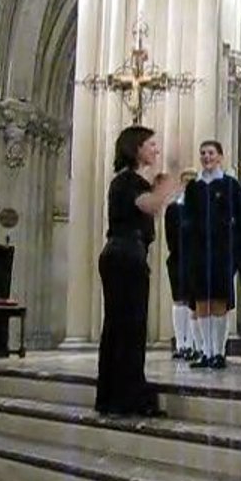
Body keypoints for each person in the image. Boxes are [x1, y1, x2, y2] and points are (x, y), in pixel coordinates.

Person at [95, 126, 175, 417]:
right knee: (129, 326)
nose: (156, 149)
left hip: (124, 255)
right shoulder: (128, 182)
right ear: (137, 148)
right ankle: (126, 398)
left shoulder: (129, 181)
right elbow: (149, 205)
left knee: (121, 327)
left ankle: (113, 396)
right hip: (125, 255)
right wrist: (165, 188)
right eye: (152, 144)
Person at [184, 140, 241, 370]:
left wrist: (236, 248)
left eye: (211, 153)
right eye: (203, 153)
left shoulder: (230, 185)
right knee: (201, 301)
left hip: (222, 251)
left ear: (220, 157)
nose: (206, 157)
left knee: (219, 300)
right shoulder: (194, 187)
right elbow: (187, 219)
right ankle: (205, 350)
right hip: (200, 252)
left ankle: (219, 352)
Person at [165, 168, 198, 360]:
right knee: (180, 299)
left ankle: (193, 343)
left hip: (196, 258)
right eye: (186, 181)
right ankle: (181, 342)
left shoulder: (201, 208)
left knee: (194, 301)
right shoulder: (174, 208)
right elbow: (171, 236)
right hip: (178, 257)